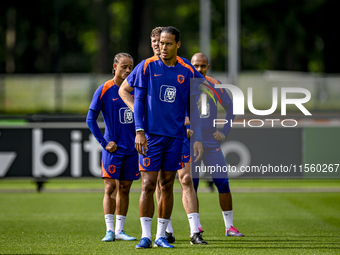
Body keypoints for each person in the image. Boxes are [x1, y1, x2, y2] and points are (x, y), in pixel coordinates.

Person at [119, 26, 208, 248]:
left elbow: (194, 103)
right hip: (151, 137)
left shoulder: (186, 71)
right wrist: (140, 130)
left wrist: (194, 133)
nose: (163, 47)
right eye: (161, 43)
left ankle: (161, 236)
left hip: (176, 137)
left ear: (178, 45)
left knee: (168, 184)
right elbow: (137, 100)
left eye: (168, 43)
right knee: (148, 184)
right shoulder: (147, 66)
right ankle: (145, 236)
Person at [86, 53, 139, 242]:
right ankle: (109, 230)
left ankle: (120, 230)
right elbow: (90, 118)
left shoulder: (137, 89)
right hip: (113, 149)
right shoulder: (104, 89)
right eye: (124, 66)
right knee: (110, 188)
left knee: (125, 188)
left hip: (133, 149)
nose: (128, 70)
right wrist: (103, 142)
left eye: (131, 67)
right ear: (114, 67)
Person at [190, 53, 244, 237]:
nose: (199, 69)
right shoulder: (184, 83)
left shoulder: (214, 83)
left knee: (222, 182)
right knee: (192, 185)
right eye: (196, 66)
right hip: (190, 142)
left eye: (203, 66)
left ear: (208, 66)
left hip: (211, 142)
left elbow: (231, 108)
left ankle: (229, 227)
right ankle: (195, 227)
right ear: (190, 65)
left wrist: (225, 131)